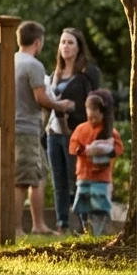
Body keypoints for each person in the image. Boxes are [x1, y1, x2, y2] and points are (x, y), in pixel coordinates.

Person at [13, 21, 72, 237]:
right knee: (22, 180)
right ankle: (16, 229)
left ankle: (38, 225)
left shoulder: (11, 61)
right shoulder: (33, 65)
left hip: (20, 128)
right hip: (25, 128)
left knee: (38, 175)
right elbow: (41, 98)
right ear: (37, 42)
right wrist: (60, 105)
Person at [45, 27, 94, 233]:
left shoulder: (84, 76)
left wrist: (73, 107)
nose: (65, 46)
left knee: (77, 179)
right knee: (58, 181)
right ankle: (62, 224)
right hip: (53, 134)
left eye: (70, 42)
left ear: (78, 47)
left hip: (74, 132)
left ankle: (85, 223)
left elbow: (92, 104)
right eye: (63, 42)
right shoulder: (54, 74)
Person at [69, 90, 124, 235]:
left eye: (96, 114)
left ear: (103, 113)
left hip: (101, 176)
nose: (92, 119)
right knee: (83, 203)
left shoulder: (110, 131)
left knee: (99, 205)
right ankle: (85, 227)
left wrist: (105, 150)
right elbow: (73, 146)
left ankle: (98, 231)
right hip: (84, 174)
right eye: (90, 115)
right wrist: (84, 150)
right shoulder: (81, 129)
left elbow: (119, 148)